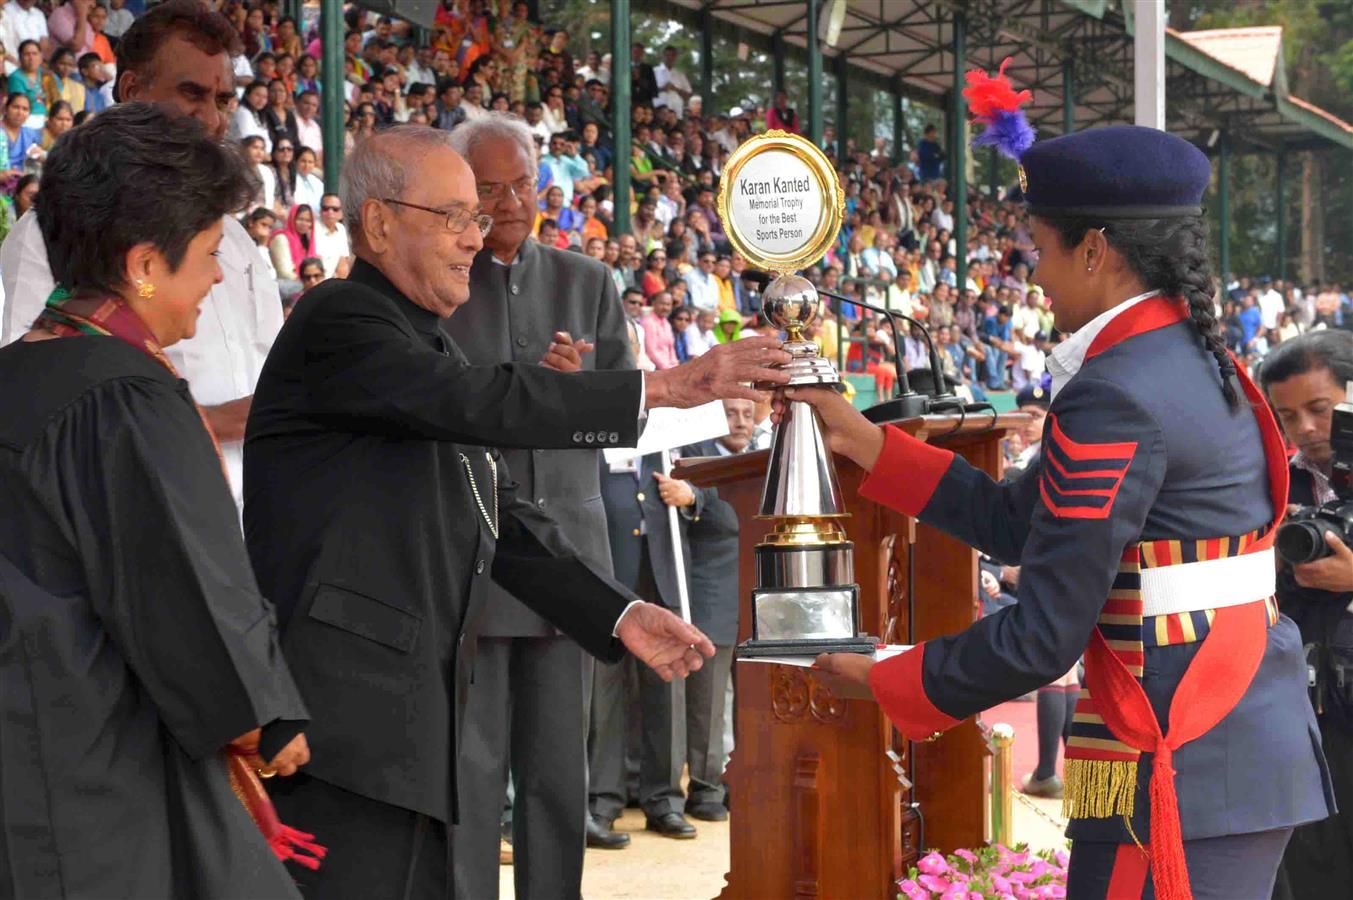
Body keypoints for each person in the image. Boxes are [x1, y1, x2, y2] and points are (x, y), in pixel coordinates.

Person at [248, 125, 790, 899]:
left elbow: (494, 516)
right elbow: (480, 401)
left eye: (479, 215)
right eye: (456, 216)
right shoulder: (340, 321)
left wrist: (618, 613)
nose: (476, 236)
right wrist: (660, 387)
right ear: (377, 223)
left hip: (403, 730)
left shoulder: (423, 341)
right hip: (345, 733)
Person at [802, 126, 1332, 898]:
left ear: (1093, 250)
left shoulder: (1113, 389)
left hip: (1170, 753)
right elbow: (1029, 525)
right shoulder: (1182, 358)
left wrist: (889, 677)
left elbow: (1041, 637)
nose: (1034, 274)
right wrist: (868, 445)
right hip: (1211, 744)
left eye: (1040, 247)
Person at [0, 100, 311, 899]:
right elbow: (189, 595)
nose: (215, 276)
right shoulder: (129, 401)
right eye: (209, 252)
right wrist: (266, 721)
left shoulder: (13, 375)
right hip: (101, 778)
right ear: (144, 264)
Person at [440, 112, 638, 900]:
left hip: (571, 562)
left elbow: (621, 419)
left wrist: (575, 395)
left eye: (520, 184)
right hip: (473, 557)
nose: (509, 201)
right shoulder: (441, 282)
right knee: (472, 771)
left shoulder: (587, 281)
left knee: (559, 772)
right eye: (488, 188)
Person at [0, 0, 285, 517]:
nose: (212, 118)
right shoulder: (49, 231)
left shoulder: (238, 243)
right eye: (191, 94)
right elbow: (30, 397)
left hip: (249, 515)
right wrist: (207, 423)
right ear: (131, 91)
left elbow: (269, 366)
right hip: (129, 516)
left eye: (223, 99)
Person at [1260, 331, 1353, 900]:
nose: (1306, 430)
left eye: (1319, 410)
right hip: (1303, 708)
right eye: (1287, 416)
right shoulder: (1269, 482)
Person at [676, 397, 754, 820]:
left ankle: (743, 783)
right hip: (710, 601)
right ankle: (705, 791)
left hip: (757, 606)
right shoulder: (695, 458)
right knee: (706, 707)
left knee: (751, 704)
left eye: (746, 413)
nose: (740, 422)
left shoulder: (765, 456)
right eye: (730, 413)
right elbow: (696, 499)